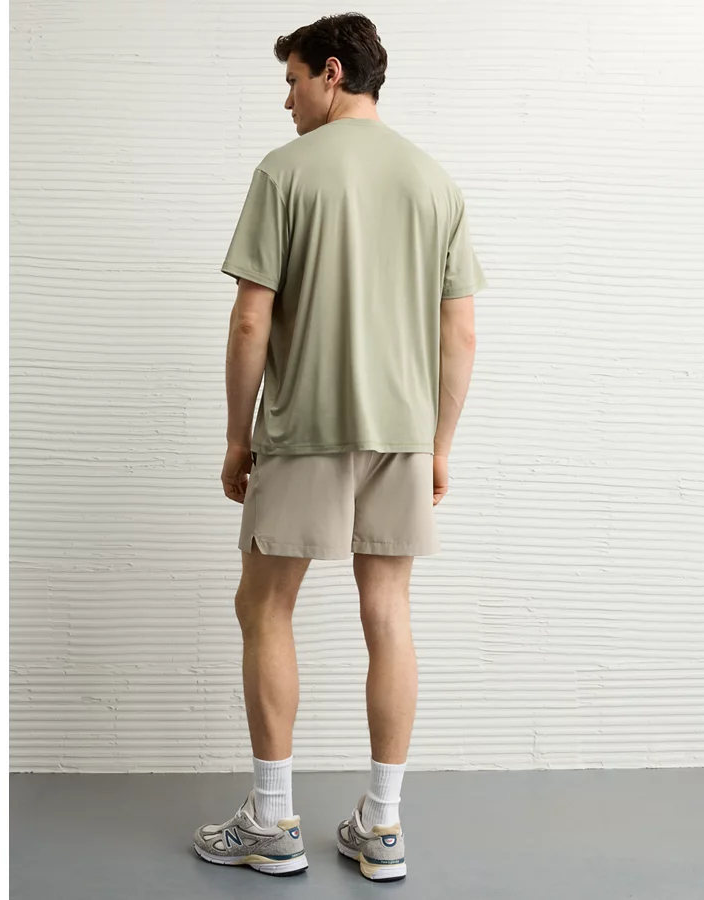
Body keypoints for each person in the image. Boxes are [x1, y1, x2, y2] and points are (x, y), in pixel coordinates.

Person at [193, 12, 486, 883]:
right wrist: (439, 444)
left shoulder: (285, 173)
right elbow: (461, 332)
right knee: (388, 613)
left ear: (330, 72)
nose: (286, 101)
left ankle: (272, 820)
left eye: (291, 81)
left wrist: (237, 436)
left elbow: (251, 320)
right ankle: (383, 827)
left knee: (264, 607)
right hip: (401, 434)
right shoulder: (435, 181)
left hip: (303, 431)